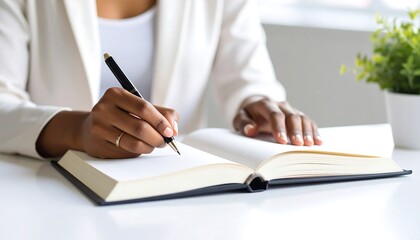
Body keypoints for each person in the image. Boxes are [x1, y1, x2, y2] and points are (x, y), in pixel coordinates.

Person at [0, 0, 322, 160]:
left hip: (175, 193)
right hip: (47, 189)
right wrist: (77, 130)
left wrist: (257, 102)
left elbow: (248, 76)